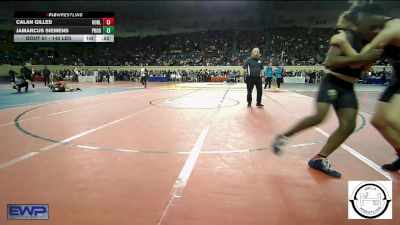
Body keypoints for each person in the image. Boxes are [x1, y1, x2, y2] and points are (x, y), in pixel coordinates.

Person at [271, 6, 384, 178]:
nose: (374, 29)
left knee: (348, 126)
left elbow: (365, 68)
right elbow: (330, 62)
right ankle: (283, 136)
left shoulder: (372, 44)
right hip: (332, 81)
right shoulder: (344, 37)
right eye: (371, 25)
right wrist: (363, 58)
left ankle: (320, 158)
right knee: (320, 116)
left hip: (348, 87)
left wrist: (368, 58)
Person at [337, 2, 400, 171]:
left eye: (358, 26)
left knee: (393, 119)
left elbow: (360, 61)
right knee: (379, 121)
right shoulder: (376, 31)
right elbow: (365, 64)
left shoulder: (391, 28)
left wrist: (342, 44)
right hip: (398, 77)